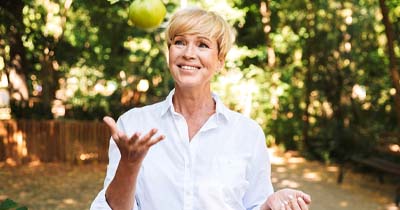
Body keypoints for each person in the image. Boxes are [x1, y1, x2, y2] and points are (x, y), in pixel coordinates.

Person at [91, 7, 311, 210]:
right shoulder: (133, 125)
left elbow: (255, 205)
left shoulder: (248, 134)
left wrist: (269, 205)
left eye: (203, 45)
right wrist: (129, 165)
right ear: (169, 53)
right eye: (179, 42)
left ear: (220, 60)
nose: (188, 53)